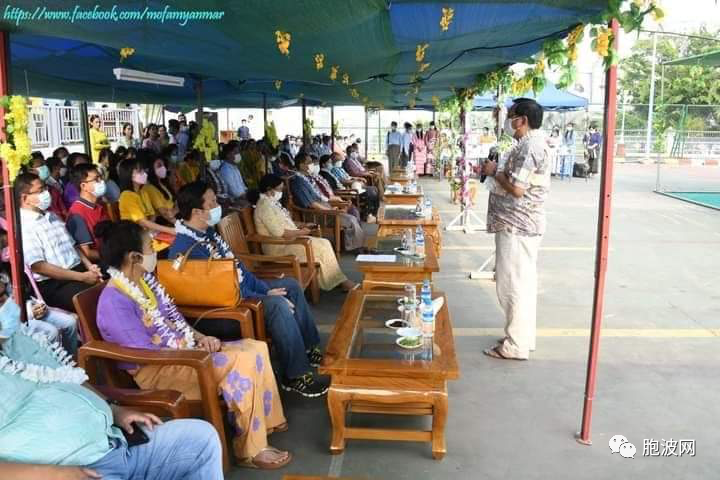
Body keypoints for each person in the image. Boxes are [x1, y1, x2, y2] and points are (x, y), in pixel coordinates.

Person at [92, 221, 291, 469]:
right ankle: (250, 450)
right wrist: (191, 351)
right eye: (150, 247)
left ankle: (266, 421)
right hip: (161, 370)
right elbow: (143, 355)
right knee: (242, 361)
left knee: (254, 347)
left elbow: (176, 323)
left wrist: (198, 337)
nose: (155, 251)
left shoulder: (143, 282)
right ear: (134, 257)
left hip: (184, 353)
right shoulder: (114, 301)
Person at [0, 297, 224, 479]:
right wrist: (52, 474)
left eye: (3, 295)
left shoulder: (19, 338)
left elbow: (68, 376)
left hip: (115, 443)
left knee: (200, 440)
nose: (7, 306)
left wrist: (114, 409)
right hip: (72, 470)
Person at [168, 182, 328, 398]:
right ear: (196, 212)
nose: (217, 206)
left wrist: (264, 290)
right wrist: (263, 297)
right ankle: (294, 375)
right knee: (277, 306)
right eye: (212, 202)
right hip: (221, 312)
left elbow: (239, 271)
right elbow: (220, 292)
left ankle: (308, 349)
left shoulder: (208, 234)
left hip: (239, 294)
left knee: (290, 285)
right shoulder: (186, 250)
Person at [480, 98, 550, 361]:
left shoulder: (530, 147)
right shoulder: (529, 144)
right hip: (520, 224)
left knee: (511, 285)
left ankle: (515, 345)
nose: (508, 120)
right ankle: (521, 337)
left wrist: (494, 171)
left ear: (521, 120)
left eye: (510, 115)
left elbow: (518, 190)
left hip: (517, 225)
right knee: (522, 284)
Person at [15, 172, 103, 313]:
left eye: (45, 189)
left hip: (79, 271)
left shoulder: (52, 216)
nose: (46, 193)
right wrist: (82, 277)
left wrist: (90, 267)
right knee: (96, 300)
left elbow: (74, 246)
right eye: (41, 190)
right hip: (56, 284)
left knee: (115, 282)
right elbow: (39, 266)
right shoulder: (24, 226)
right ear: (25, 198)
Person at [252, 175, 356, 292]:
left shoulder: (271, 202)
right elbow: (281, 233)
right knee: (320, 249)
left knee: (325, 243)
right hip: (279, 247)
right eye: (279, 189)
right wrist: (301, 232)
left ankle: (337, 280)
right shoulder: (264, 207)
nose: (281, 192)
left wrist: (303, 225)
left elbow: (285, 223)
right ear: (269, 189)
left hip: (289, 241)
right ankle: (340, 282)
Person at [291, 153, 366, 251]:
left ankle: (354, 245)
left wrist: (332, 208)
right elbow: (312, 204)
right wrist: (331, 210)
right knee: (350, 220)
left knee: (351, 215)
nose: (312, 165)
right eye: (309, 163)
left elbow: (321, 196)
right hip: (317, 214)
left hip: (325, 209)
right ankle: (357, 247)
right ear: (301, 165)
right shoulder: (299, 182)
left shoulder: (308, 178)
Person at [118, 157, 176, 252]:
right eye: (139, 171)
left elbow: (152, 216)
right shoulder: (127, 196)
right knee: (173, 243)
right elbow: (143, 222)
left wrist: (152, 231)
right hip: (135, 237)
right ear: (129, 175)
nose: (144, 173)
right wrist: (169, 230)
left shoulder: (143, 192)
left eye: (143, 170)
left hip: (147, 233)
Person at [66, 163, 110, 263]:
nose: (101, 181)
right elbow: (87, 253)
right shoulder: (77, 213)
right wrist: (114, 256)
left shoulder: (100, 205)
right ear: (83, 186)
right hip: (101, 264)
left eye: (101, 177)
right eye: (97, 179)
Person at [139, 151, 178, 225]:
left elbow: (175, 201)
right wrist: (181, 226)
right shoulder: (149, 188)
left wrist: (175, 210)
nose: (163, 168)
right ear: (151, 168)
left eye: (163, 165)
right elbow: (165, 214)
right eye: (159, 165)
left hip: (174, 216)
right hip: (167, 222)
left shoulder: (162, 183)